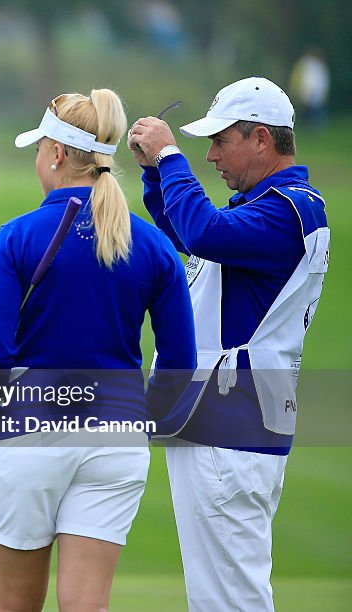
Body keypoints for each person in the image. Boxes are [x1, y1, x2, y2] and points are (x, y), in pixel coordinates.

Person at [0, 89, 196, 611]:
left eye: (38, 150)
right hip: (117, 435)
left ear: (55, 154)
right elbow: (179, 362)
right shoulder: (153, 243)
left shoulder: (14, 237)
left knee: (15, 604)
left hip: (28, 430)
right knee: (86, 605)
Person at [128, 76, 329, 611]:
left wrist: (171, 156)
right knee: (221, 593)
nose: (211, 154)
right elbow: (189, 240)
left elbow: (204, 235)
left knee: (229, 599)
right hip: (228, 415)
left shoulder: (286, 209)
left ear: (261, 139)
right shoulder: (271, 206)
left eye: (221, 141)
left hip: (228, 416)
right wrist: (156, 174)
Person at [290, 47, 329, 129]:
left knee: (314, 110)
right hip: (309, 91)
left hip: (313, 91)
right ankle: (312, 127)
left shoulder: (315, 65)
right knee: (310, 110)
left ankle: (314, 126)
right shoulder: (307, 65)